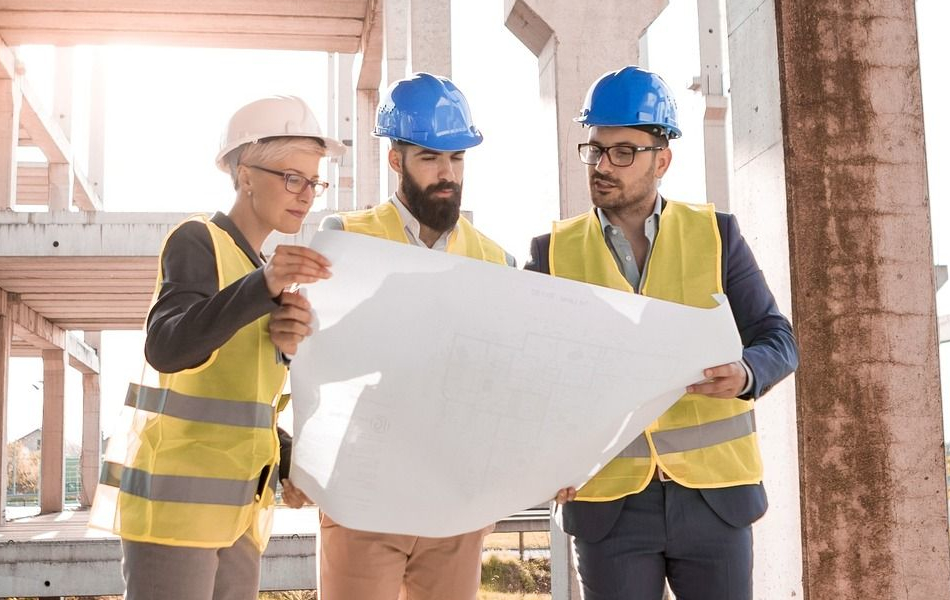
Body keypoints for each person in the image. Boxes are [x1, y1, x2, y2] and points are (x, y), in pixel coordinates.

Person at [526, 66, 799, 600]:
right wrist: (539, 463)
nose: (603, 165)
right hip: (608, 505)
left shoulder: (716, 235)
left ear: (662, 159)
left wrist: (746, 373)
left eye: (623, 152)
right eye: (595, 150)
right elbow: (530, 375)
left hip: (715, 501)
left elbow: (777, 338)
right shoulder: (551, 253)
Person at [269, 72, 515, 600]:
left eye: (458, 158)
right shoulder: (346, 239)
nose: (448, 173)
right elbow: (307, 362)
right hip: (363, 496)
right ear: (395, 160)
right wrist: (301, 460)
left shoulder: (495, 260)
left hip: (454, 503)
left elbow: (501, 386)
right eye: (431, 157)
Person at [90, 95, 341, 600]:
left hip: (239, 517)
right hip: (174, 513)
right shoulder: (197, 240)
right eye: (292, 178)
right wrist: (264, 286)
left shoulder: (258, 274)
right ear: (245, 175)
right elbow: (167, 346)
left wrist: (290, 465)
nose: (307, 194)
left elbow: (243, 411)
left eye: (314, 181)